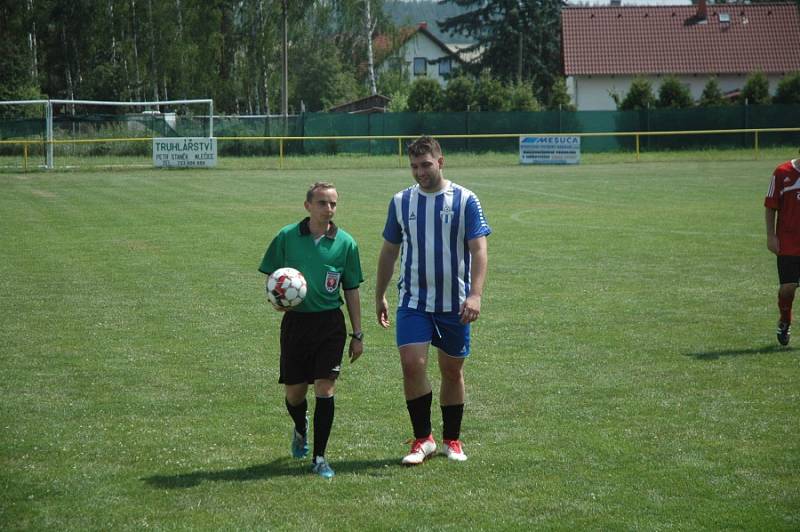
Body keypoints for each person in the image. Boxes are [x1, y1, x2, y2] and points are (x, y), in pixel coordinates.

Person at [375, 135, 491, 465]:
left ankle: (451, 440)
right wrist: (380, 293)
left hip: (455, 303)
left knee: (451, 371)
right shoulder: (400, 202)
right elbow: (388, 251)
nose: (419, 172)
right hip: (413, 301)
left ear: (440, 162)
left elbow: (479, 250)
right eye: (413, 166)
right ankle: (422, 439)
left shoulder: (466, 199)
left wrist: (476, 295)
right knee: (412, 366)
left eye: (425, 165)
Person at [259, 182, 364, 478]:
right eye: (321, 203)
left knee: (325, 388)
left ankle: (320, 457)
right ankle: (301, 425)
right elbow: (273, 276)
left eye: (332, 204)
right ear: (308, 206)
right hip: (296, 324)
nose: (328, 209)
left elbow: (352, 289)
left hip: (330, 323)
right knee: (294, 393)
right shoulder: (286, 237)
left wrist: (358, 334)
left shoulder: (346, 243)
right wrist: (278, 300)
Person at [765, 157, 800, 346]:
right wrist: (771, 236)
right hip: (789, 242)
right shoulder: (782, 172)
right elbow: (770, 206)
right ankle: (785, 320)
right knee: (788, 288)